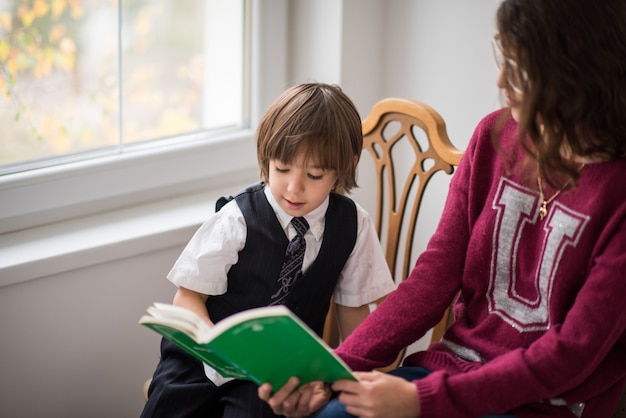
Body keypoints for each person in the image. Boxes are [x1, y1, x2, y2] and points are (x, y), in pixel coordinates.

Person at [259, 0, 626, 417]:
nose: (502, 80)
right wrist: (331, 373)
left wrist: (422, 402)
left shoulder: (618, 192)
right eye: (502, 57)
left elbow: (572, 353)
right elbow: (429, 283)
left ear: (577, 74)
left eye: (521, 69)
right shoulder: (493, 135)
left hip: (546, 403)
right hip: (451, 372)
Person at [140, 82, 396, 418]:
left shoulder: (352, 224)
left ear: (343, 167)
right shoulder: (236, 219)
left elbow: (354, 314)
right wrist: (214, 346)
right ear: (266, 158)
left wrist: (353, 379)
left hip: (276, 377)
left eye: (315, 175)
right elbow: (188, 297)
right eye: (282, 169)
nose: (294, 187)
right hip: (199, 363)